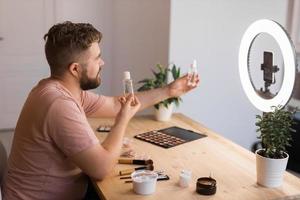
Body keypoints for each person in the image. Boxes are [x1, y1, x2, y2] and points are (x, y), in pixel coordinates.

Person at [2, 21, 199, 200]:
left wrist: (169, 91)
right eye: (97, 58)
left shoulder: (58, 89)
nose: (102, 63)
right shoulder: (58, 104)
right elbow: (101, 168)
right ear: (75, 69)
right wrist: (122, 120)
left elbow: (115, 105)